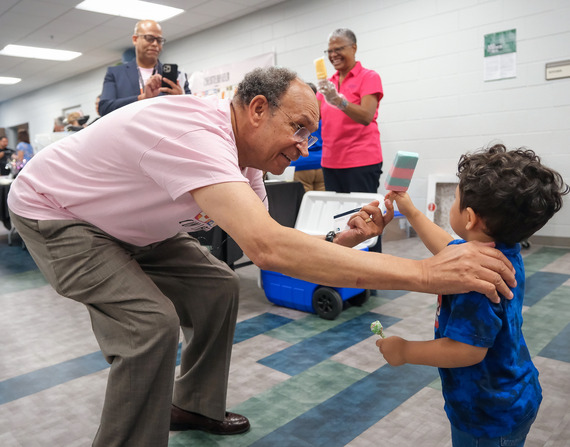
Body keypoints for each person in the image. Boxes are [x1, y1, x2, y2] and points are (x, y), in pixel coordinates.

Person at [8, 67, 517, 447]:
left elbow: (273, 244)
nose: (304, 145)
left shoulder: (247, 162)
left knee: (219, 286)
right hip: (60, 214)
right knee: (149, 326)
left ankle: (191, 405)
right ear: (256, 110)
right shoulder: (195, 134)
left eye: (311, 134)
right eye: (298, 128)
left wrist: (340, 242)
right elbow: (267, 247)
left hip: (134, 224)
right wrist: (424, 273)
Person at [376, 144, 569, 447]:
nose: (450, 206)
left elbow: (467, 350)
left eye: (453, 200)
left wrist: (405, 351)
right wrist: (410, 211)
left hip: (488, 416)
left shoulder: (475, 281)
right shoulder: (498, 250)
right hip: (511, 393)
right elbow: (446, 246)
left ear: (469, 218)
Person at [317, 28, 384, 252]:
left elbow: (366, 116)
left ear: (353, 48)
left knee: (367, 220)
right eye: (329, 51)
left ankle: (372, 274)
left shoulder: (369, 77)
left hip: (361, 161)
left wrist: (339, 101)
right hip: (331, 161)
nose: (333, 54)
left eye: (339, 49)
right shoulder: (326, 84)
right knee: (338, 221)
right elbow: (314, 116)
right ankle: (348, 272)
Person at [99, 19, 190, 116]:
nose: (155, 44)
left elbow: (192, 110)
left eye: (159, 40)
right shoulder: (115, 73)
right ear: (135, 39)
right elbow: (105, 108)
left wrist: (181, 98)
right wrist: (142, 98)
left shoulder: (177, 76)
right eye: (149, 38)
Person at [290, 82, 325, 192]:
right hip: (321, 165)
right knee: (321, 204)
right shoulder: (323, 118)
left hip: (301, 164)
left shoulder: (296, 117)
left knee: (304, 205)